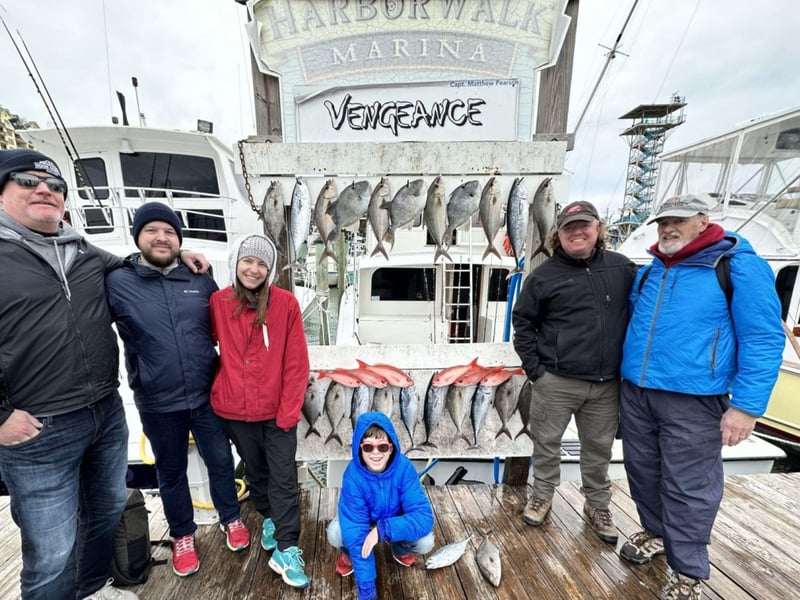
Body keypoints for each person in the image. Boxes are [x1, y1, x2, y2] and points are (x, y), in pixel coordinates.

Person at [0, 149, 208, 599]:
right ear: (2, 192)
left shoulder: (84, 252)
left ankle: (92, 588)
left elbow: (144, 264)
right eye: (28, 181)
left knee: (106, 509)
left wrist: (181, 252)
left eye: (55, 186)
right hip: (37, 428)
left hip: (105, 412)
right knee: (51, 548)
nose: (44, 191)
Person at [618, 195, 784, 600]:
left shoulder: (736, 266)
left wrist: (746, 406)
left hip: (695, 399)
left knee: (689, 485)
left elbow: (763, 338)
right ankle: (656, 532)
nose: (668, 229)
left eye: (678, 221)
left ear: (703, 221)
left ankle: (688, 570)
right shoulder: (652, 270)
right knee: (643, 472)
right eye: (663, 223)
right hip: (637, 392)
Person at [105, 201, 250, 578]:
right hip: (157, 401)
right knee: (171, 473)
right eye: (152, 231)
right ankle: (183, 534)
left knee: (221, 461)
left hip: (206, 395)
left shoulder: (199, 278)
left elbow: (225, 326)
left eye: (169, 232)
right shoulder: (117, 281)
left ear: (179, 239)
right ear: (137, 237)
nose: (161, 237)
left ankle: (231, 518)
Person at [512, 200, 638, 544]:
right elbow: (523, 324)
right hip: (556, 381)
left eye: (584, 225)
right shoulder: (543, 276)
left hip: (607, 384)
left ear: (598, 229)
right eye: (569, 228)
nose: (577, 232)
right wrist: (536, 371)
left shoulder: (622, 267)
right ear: (559, 234)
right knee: (546, 443)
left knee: (599, 449)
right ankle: (542, 495)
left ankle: (598, 505)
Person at [209, 233, 311, 589]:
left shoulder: (285, 304)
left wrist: (288, 412)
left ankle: (287, 547)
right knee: (255, 472)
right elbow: (203, 345)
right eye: (247, 261)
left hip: (277, 411)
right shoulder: (218, 302)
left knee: (283, 478)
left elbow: (297, 363)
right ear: (235, 262)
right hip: (234, 411)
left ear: (270, 269)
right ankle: (268, 517)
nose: (254, 269)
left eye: (262, 264)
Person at [326, 412, 435, 600]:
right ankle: (351, 555)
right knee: (336, 533)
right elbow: (355, 530)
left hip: (393, 522)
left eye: (382, 446)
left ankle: (400, 550)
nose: (375, 453)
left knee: (426, 541)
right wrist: (367, 592)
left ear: (391, 448)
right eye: (368, 447)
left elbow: (424, 517)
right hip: (363, 521)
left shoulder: (405, 468)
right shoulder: (352, 476)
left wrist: (383, 530)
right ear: (360, 449)